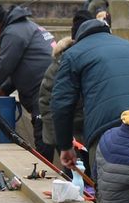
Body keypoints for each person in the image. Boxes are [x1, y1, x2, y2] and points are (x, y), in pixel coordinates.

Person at [50, 15, 129, 175]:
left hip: (104, 130)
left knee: (105, 182)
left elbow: (61, 104)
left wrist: (65, 146)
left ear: (78, 38)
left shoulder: (73, 54)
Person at [0, 3, 55, 144]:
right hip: (48, 83)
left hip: (43, 88)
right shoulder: (26, 26)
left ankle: (47, 158)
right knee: (50, 132)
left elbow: (4, 64)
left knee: (43, 135)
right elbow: (19, 66)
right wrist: (4, 89)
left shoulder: (12, 33)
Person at [36, 9, 92, 174]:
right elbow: (47, 104)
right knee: (75, 174)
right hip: (71, 135)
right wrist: (62, 142)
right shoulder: (60, 64)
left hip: (88, 131)